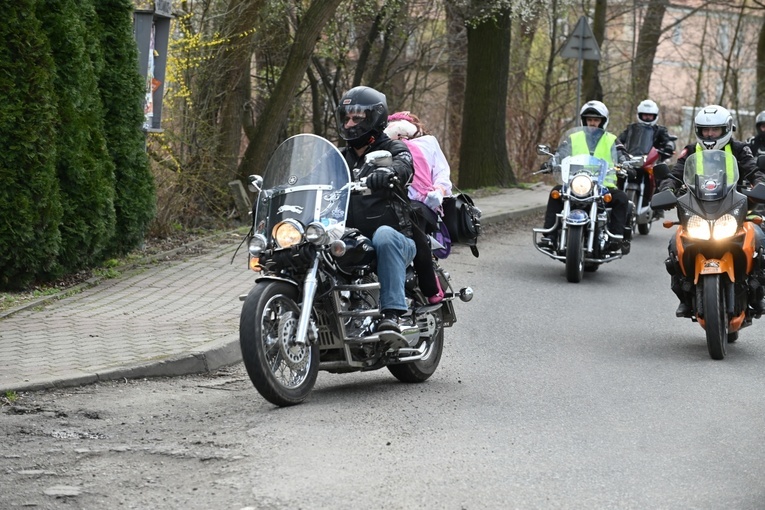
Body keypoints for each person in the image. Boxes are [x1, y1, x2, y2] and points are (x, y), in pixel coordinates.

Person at [657, 104, 765, 317]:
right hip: (698, 210)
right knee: (674, 246)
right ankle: (685, 297)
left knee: (760, 238)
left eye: (714, 130)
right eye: (705, 130)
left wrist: (759, 186)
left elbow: (754, 171)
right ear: (698, 130)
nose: (709, 134)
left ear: (726, 129)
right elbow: (674, 175)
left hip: (734, 208)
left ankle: (758, 294)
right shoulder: (690, 151)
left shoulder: (739, 149)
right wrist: (667, 189)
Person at [335, 86, 416, 333]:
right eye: (346, 117)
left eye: (357, 118)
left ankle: (392, 315)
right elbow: (310, 178)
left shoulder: (394, 149)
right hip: (350, 239)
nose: (350, 124)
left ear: (375, 118)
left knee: (383, 234)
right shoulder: (338, 158)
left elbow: (405, 166)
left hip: (396, 239)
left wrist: (389, 172)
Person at [539, 100, 631, 253]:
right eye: (589, 120)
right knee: (556, 193)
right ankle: (549, 236)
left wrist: (625, 163)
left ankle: (616, 238)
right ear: (584, 120)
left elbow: (622, 153)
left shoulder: (611, 139)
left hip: (603, 186)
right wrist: (551, 163)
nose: (592, 123)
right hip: (576, 184)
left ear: (602, 121)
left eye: (596, 120)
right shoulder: (573, 138)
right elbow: (560, 153)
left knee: (621, 198)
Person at [384, 111, 452, 304]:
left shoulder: (428, 143)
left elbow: (442, 173)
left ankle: (430, 285)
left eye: (403, 134)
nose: (401, 138)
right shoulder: (383, 147)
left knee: (412, 219)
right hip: (391, 201)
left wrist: (438, 191)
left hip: (423, 203)